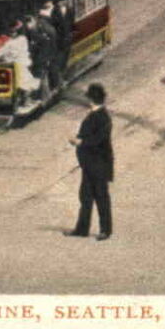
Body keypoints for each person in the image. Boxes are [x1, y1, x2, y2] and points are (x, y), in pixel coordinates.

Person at [66, 83, 114, 240]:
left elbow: (98, 139)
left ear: (91, 99)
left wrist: (80, 142)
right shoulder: (97, 114)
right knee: (85, 196)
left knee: (101, 197)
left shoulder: (101, 116)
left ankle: (105, 230)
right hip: (90, 164)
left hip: (98, 164)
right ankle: (82, 229)